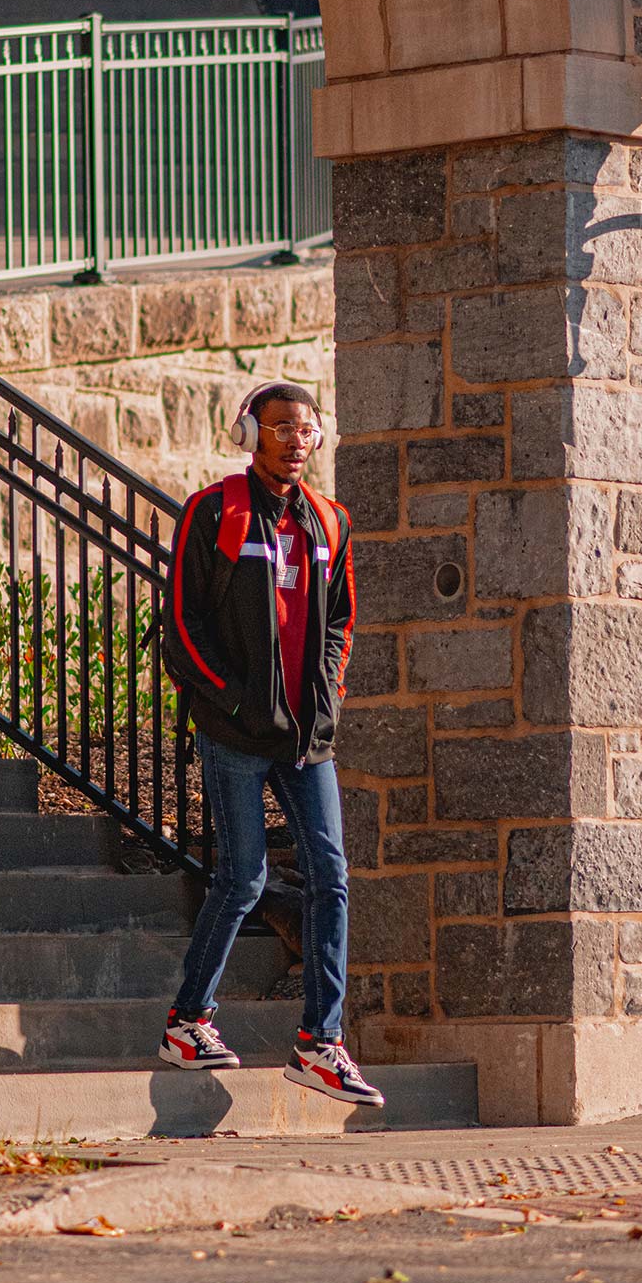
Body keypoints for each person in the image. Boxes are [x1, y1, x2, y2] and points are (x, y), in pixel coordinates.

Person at [159, 379, 384, 1106]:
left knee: (331, 875)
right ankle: (188, 1022)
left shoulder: (329, 520)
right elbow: (182, 628)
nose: (295, 438)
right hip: (232, 731)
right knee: (245, 879)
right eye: (280, 426)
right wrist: (227, 698)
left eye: (306, 428)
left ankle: (321, 1044)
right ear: (248, 432)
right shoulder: (214, 510)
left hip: (305, 736)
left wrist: (327, 698)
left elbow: (339, 623)